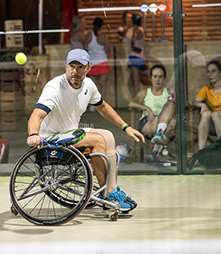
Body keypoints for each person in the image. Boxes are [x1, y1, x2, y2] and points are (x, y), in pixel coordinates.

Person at [26, 49, 145, 212]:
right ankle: (107, 194)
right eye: (71, 66)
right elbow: (36, 115)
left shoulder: (88, 85)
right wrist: (33, 134)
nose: (75, 71)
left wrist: (126, 127)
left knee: (108, 136)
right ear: (65, 66)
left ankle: (112, 189)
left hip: (70, 133)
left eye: (80, 67)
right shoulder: (54, 87)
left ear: (88, 68)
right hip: (50, 140)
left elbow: (102, 107)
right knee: (97, 140)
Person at [128, 65, 176, 161]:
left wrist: (176, 99)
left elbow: (186, 104)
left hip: (164, 124)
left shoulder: (168, 92)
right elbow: (131, 103)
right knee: (171, 122)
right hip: (148, 123)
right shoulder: (145, 92)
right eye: (155, 76)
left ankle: (155, 150)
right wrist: (147, 108)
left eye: (160, 77)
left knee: (171, 106)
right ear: (150, 78)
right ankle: (159, 137)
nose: (157, 80)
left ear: (164, 78)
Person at [86, 17, 110, 99]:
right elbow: (108, 50)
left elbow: (85, 49)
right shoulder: (103, 37)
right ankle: (102, 104)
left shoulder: (89, 36)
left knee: (93, 87)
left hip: (92, 63)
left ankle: (93, 105)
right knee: (103, 86)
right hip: (103, 62)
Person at [126, 13, 146, 98]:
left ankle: (138, 101)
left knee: (135, 81)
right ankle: (135, 99)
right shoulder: (139, 29)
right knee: (130, 82)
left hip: (136, 57)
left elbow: (135, 42)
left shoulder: (138, 30)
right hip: (135, 56)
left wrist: (134, 31)